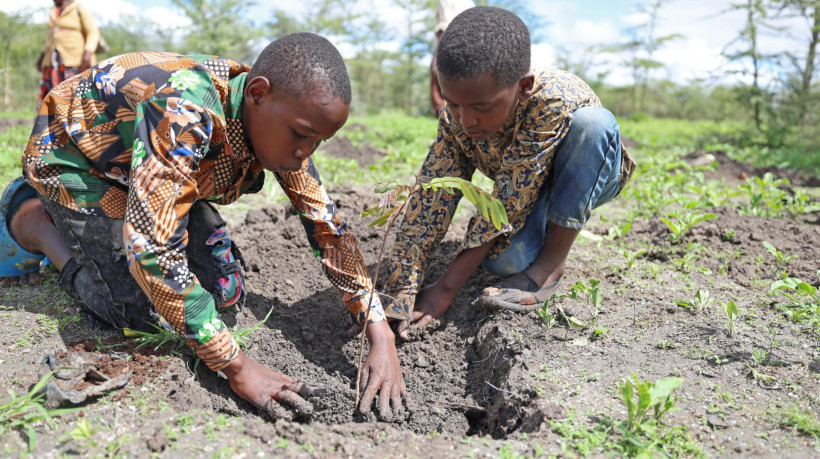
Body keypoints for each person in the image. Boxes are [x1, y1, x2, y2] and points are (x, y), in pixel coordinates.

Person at [2, 33, 407, 419]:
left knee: (223, 292)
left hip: (151, 169)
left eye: (318, 142)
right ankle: (34, 221)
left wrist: (379, 330)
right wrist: (238, 367)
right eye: (301, 136)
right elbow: (153, 250)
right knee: (138, 313)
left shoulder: (286, 124)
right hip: (76, 157)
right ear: (258, 94)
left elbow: (327, 229)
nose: (305, 154)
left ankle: (149, 206)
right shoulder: (184, 109)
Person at [384, 7, 636, 337]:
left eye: (481, 108)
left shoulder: (552, 100)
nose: (466, 120)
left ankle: (550, 267)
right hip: (527, 187)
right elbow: (431, 199)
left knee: (594, 124)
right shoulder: (456, 119)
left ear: (524, 87)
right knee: (505, 263)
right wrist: (399, 293)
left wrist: (446, 289)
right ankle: (546, 230)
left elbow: (508, 201)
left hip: (590, 174)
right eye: (453, 103)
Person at [37, 0, 100, 105]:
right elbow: (50, 39)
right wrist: (42, 56)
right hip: (53, 62)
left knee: (74, 95)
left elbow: (93, 32)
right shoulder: (54, 11)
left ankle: (75, 120)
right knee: (50, 95)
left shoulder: (79, 9)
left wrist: (88, 52)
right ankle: (50, 120)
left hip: (74, 61)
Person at [430, 0, 474, 115]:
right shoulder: (470, 3)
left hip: (449, 51)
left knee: (446, 104)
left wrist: (438, 57)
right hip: (468, 54)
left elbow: (443, 26)